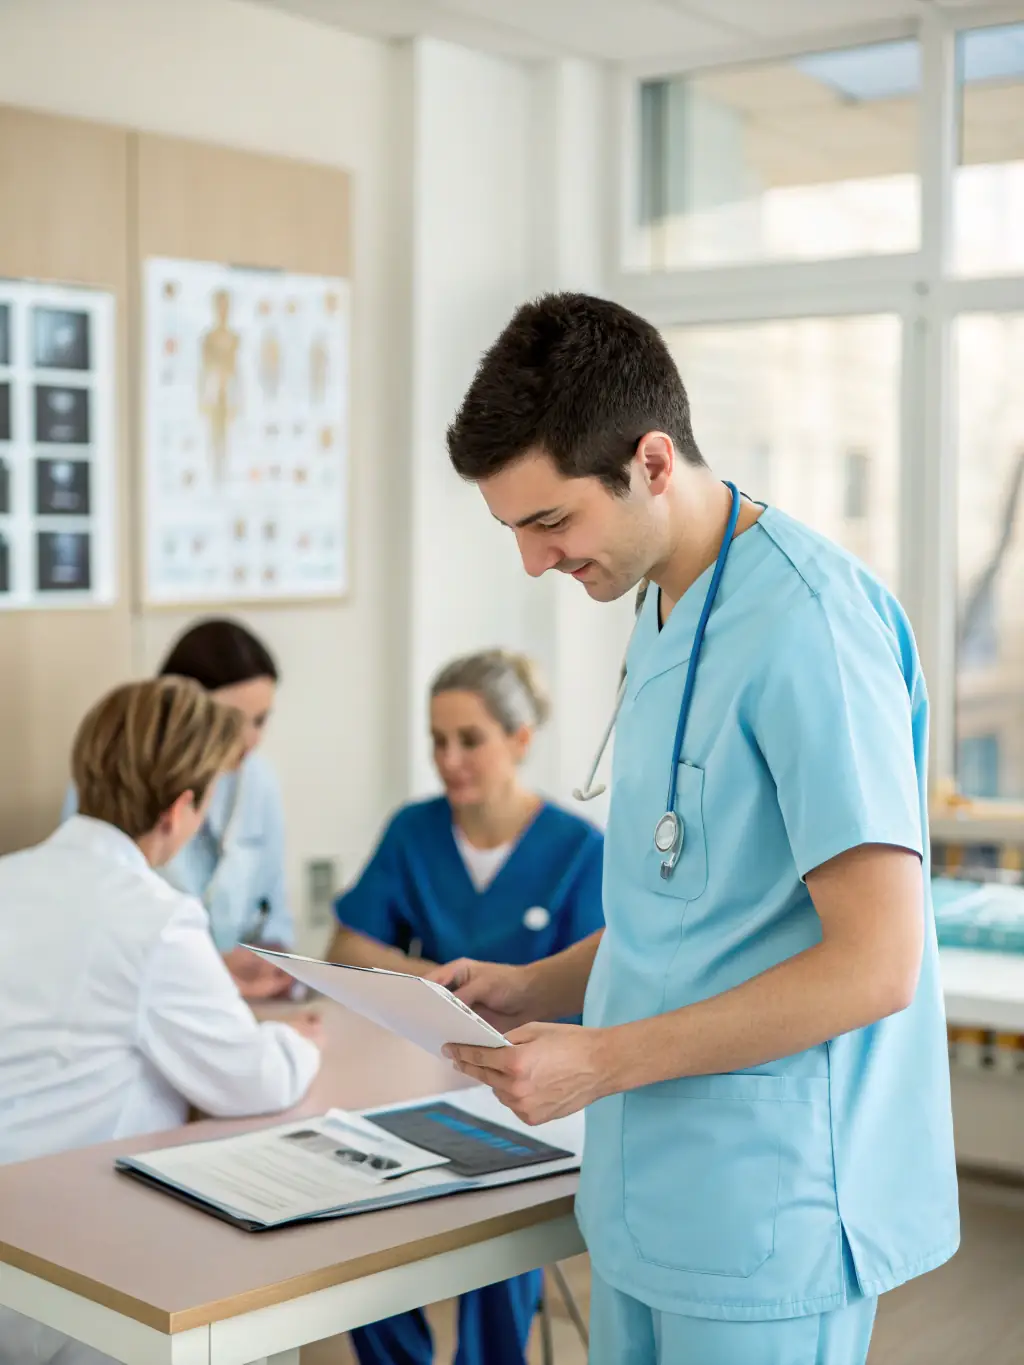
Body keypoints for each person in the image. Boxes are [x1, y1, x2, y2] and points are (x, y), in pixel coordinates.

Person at [430, 293, 959, 1365]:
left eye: (550, 523)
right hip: (650, 1201)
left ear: (653, 462)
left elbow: (874, 966)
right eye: (514, 532)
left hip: (768, 1212)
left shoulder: (810, 627)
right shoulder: (665, 602)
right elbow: (693, 913)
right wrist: (537, 985)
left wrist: (603, 1060)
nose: (535, 563)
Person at [0, 676, 322, 1365]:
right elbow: (252, 1080)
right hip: (75, 1277)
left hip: (14, 1249)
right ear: (180, 808)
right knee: (266, 1315)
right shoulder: (156, 915)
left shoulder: (11, 878)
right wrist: (296, 1044)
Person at [330, 648, 604, 1365]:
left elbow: (595, 993)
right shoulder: (414, 831)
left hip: (528, 1100)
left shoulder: (579, 850)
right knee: (363, 1223)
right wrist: (440, 986)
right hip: (415, 1081)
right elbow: (349, 941)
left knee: (495, 1236)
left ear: (519, 738)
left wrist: (437, 989)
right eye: (437, 739)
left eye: (469, 739)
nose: (448, 759)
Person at [63, 618, 293, 1000]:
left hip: (243, 1000)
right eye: (231, 722)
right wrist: (208, 968)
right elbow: (89, 923)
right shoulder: (109, 783)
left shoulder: (260, 783)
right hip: (143, 995)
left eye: (261, 720)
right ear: (179, 711)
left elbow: (276, 917)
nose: (251, 739)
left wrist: (267, 965)